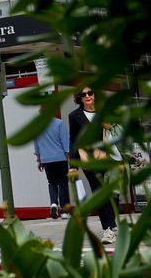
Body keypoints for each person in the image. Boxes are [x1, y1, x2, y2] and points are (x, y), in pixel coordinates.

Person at [67, 86, 118, 244]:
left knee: (110, 192)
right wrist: (73, 164)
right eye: (84, 94)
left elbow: (117, 132)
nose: (88, 96)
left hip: (106, 157)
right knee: (98, 192)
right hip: (87, 159)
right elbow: (73, 139)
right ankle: (108, 230)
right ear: (80, 98)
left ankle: (112, 224)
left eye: (90, 93)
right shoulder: (74, 116)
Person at [33, 115, 71, 219]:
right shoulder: (59, 123)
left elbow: (36, 143)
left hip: (46, 159)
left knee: (52, 183)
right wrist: (68, 156)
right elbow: (65, 141)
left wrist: (39, 159)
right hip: (60, 158)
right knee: (63, 183)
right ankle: (64, 210)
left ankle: (53, 204)